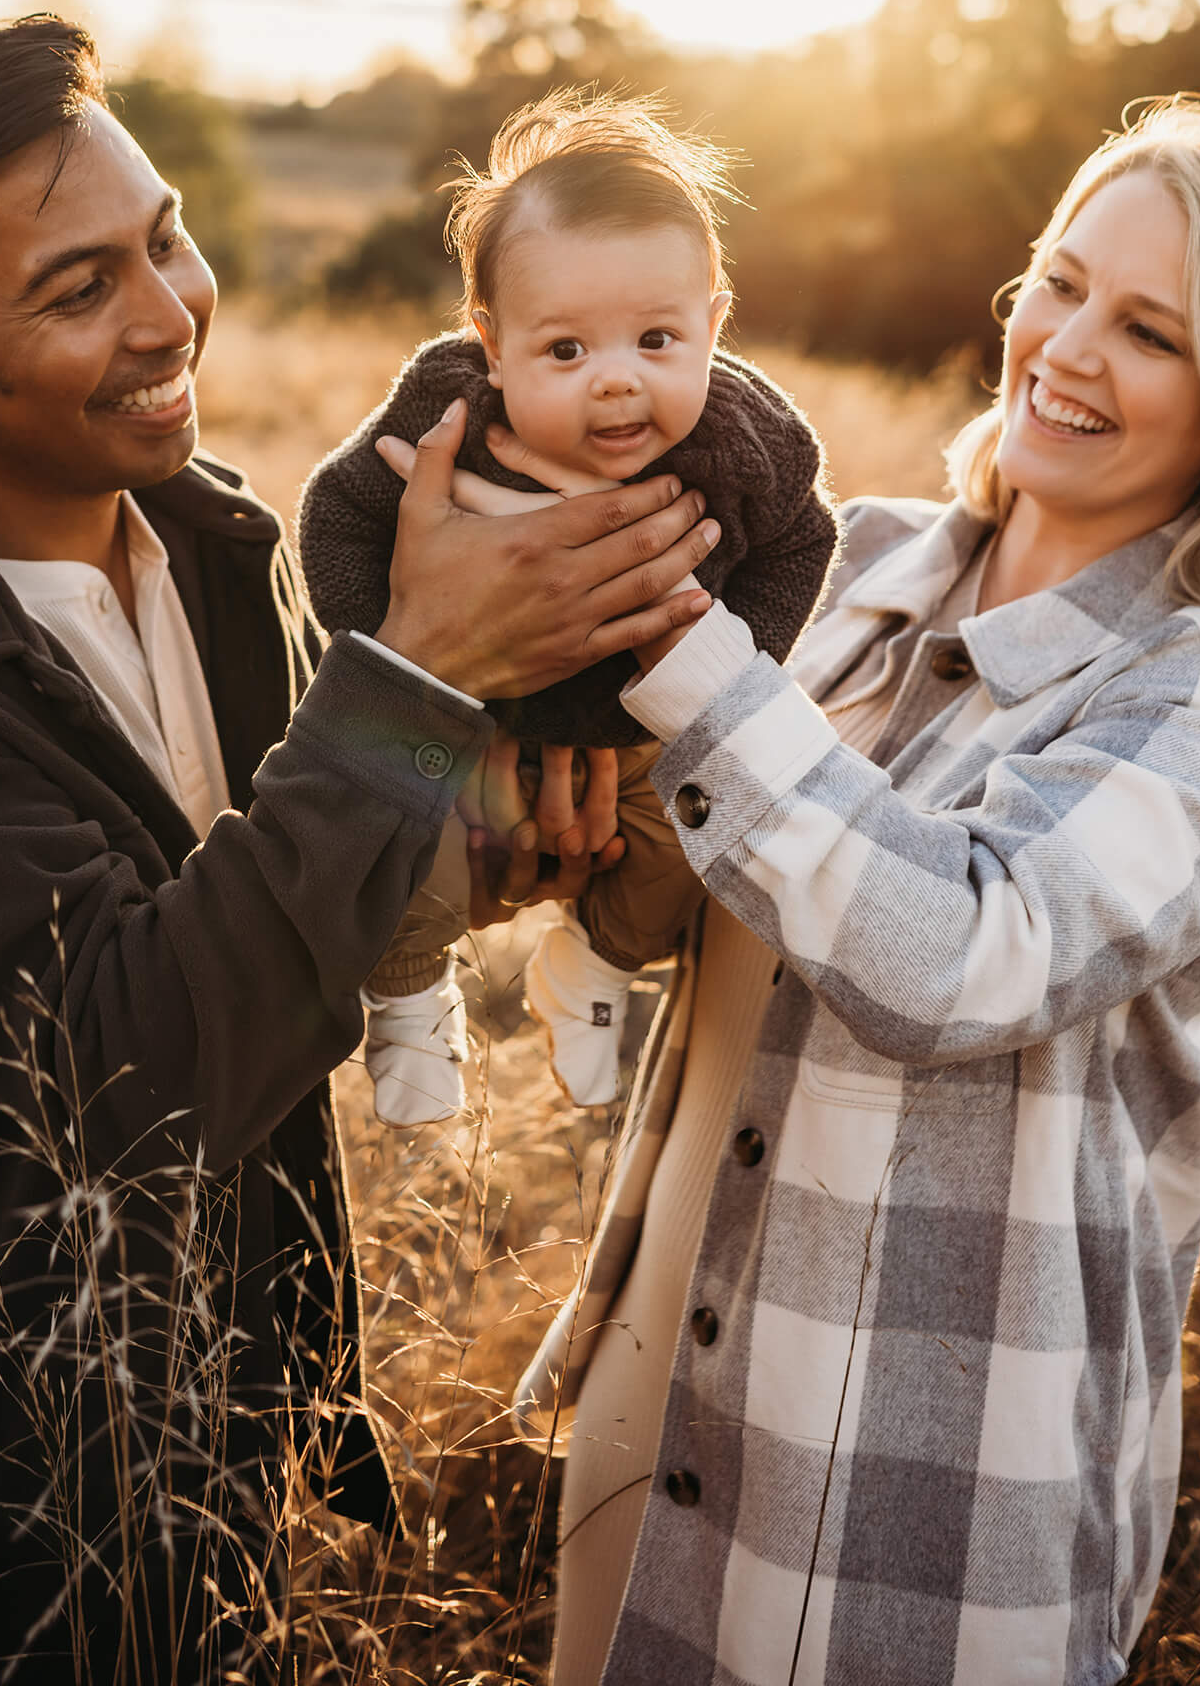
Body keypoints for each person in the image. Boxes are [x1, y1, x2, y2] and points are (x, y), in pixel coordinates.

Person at [0, 16, 718, 1686]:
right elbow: (132, 1067)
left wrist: (499, 844)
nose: (167, 314)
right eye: (76, 290)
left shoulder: (205, 536)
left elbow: (262, 895)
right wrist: (417, 674)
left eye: (166, 236)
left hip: (222, 1416)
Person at [515, 98, 1200, 1686]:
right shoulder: (843, 567)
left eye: (1147, 330)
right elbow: (706, 915)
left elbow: (958, 956)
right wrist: (586, 865)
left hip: (909, 1486)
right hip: (664, 1363)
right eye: (1057, 282)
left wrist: (681, 659)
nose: (1064, 347)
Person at [300, 91, 838, 1119]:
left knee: (708, 835)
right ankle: (408, 997)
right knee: (377, 823)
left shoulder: (746, 440)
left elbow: (804, 539)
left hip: (631, 730)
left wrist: (723, 668)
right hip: (452, 711)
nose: (617, 383)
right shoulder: (445, 417)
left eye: (656, 338)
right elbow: (334, 516)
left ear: (713, 327)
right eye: (565, 351)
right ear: (491, 344)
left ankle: (596, 965)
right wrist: (409, 665)